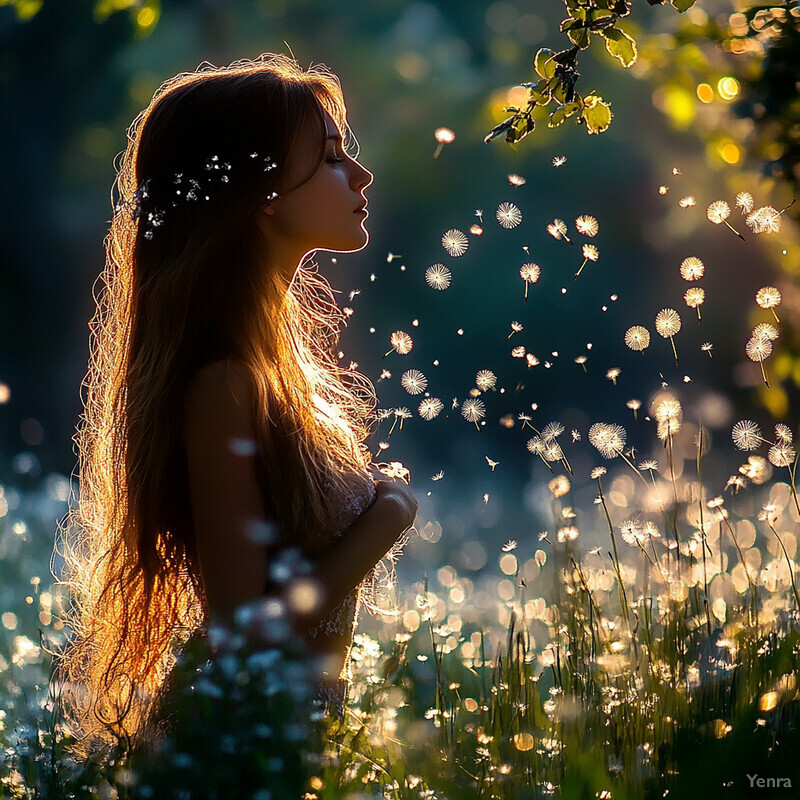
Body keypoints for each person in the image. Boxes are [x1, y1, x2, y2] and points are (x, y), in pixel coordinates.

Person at [51, 53, 418, 786]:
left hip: (283, 745)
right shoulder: (223, 385)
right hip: (229, 756)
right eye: (332, 158)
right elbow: (245, 635)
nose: (362, 177)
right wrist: (386, 521)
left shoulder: (277, 373)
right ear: (264, 193)